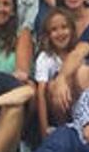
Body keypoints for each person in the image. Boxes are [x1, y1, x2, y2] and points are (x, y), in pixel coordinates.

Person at [34, 9, 79, 139]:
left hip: (79, 104)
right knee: (54, 85)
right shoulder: (45, 57)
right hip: (57, 111)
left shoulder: (78, 52)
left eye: (64, 27)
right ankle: (63, 132)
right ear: (47, 35)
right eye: (54, 30)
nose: (60, 33)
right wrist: (44, 130)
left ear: (72, 29)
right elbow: (41, 94)